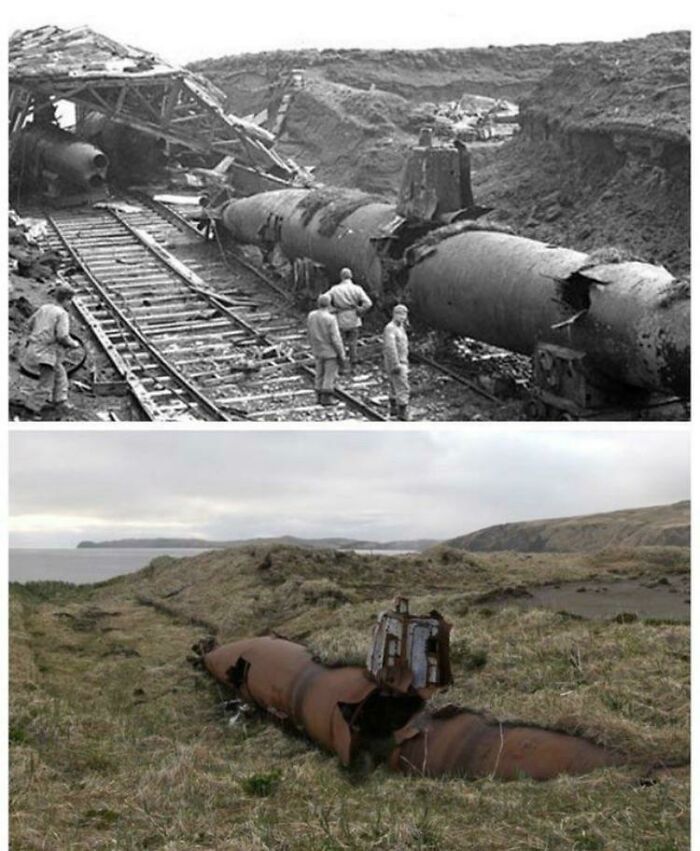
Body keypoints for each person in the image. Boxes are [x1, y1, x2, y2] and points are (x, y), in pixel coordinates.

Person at [23, 283, 80, 415]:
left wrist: (39, 335)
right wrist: (74, 344)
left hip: (34, 348)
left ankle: (60, 401)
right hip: (46, 354)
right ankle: (30, 409)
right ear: (66, 300)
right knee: (46, 384)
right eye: (70, 300)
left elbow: (29, 324)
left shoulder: (44, 308)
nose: (70, 303)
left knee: (60, 375)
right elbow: (62, 336)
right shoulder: (62, 314)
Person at [323, 267, 372, 373]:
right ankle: (353, 363)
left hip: (340, 318)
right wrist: (361, 310)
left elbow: (323, 299)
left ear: (341, 277)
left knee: (339, 342)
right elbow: (368, 303)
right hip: (354, 318)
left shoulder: (335, 289)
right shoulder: (357, 289)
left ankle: (342, 364)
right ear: (351, 276)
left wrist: (331, 309)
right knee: (353, 342)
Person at [307, 293, 346, 406]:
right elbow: (335, 338)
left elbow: (309, 331)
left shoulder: (311, 315)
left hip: (317, 349)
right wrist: (341, 353)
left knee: (319, 372)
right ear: (329, 304)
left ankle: (318, 395)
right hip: (330, 351)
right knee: (330, 374)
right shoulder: (330, 318)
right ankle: (327, 398)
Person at [383, 304, 410, 421]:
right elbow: (390, 347)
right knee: (403, 387)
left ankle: (393, 410)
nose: (403, 317)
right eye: (400, 314)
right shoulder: (391, 328)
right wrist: (395, 364)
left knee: (394, 386)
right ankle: (402, 413)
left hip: (401, 360)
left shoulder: (400, 327)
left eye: (404, 315)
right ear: (394, 314)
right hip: (398, 362)